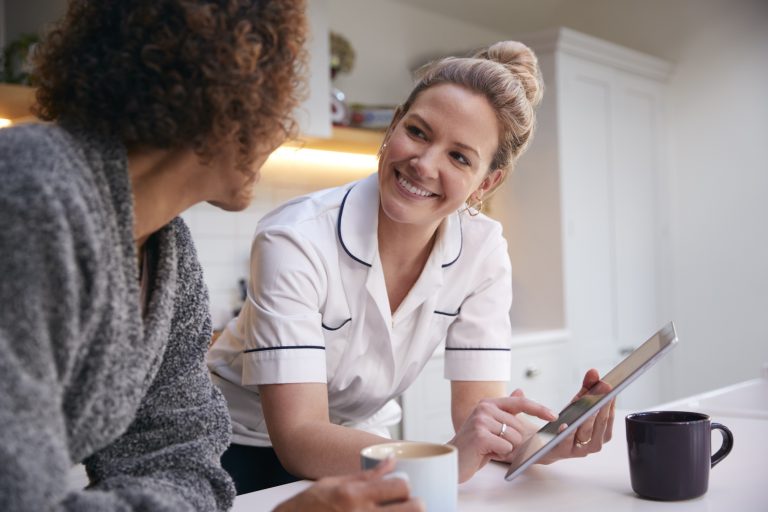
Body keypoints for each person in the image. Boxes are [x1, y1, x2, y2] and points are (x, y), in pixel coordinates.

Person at [0, 1, 421, 511]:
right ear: (227, 100)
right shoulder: (28, 194)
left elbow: (187, 461)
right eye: (275, 100)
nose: (279, 132)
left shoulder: (168, 254)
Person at [207, 39, 616, 494]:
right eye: (418, 132)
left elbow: (476, 417)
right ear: (395, 123)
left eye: (459, 157)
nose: (423, 164)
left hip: (364, 444)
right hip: (236, 449)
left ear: (488, 181)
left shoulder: (483, 251)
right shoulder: (296, 237)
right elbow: (300, 438)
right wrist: (444, 460)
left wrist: (546, 442)